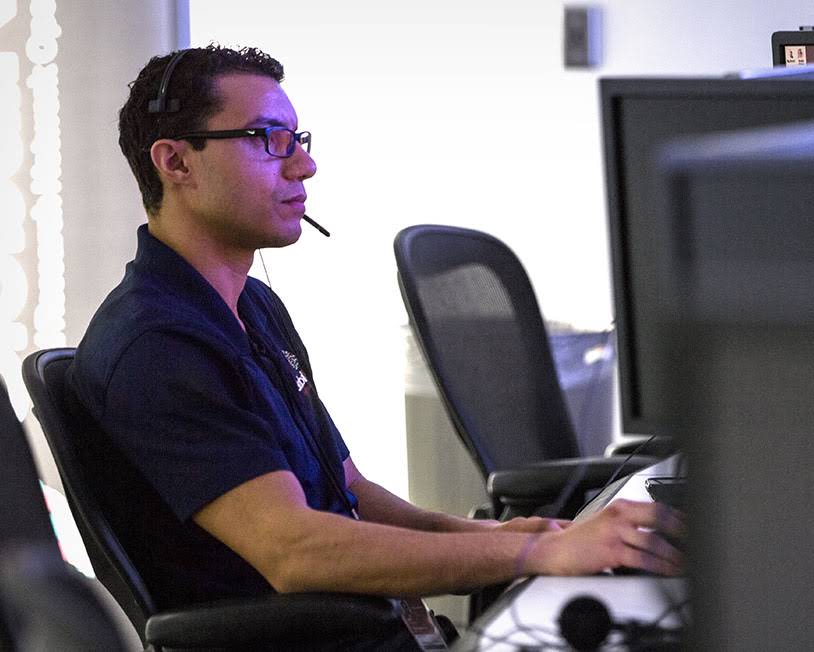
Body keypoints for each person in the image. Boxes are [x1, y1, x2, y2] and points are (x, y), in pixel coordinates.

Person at [68, 45, 683, 649]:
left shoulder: (252, 306)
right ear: (176, 163)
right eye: (266, 138)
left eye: (298, 140)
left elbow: (347, 487)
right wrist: (534, 551)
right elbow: (293, 550)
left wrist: (496, 535)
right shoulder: (157, 345)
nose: (302, 167)